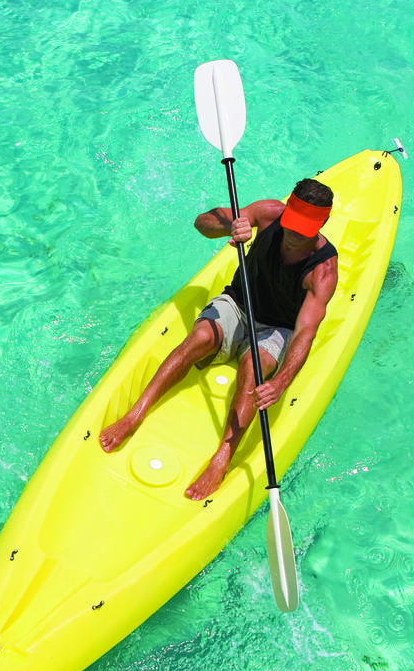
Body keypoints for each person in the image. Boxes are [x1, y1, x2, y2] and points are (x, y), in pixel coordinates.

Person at [99, 178, 338, 500]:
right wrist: (230, 227)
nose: (294, 234)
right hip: (238, 304)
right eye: (291, 224)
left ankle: (223, 455)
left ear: (322, 223)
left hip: (278, 328)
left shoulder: (322, 271)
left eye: (305, 229)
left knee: (253, 367)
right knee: (199, 336)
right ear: (286, 212)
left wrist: (282, 381)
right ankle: (135, 413)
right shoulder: (268, 213)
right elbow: (202, 223)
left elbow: (306, 331)